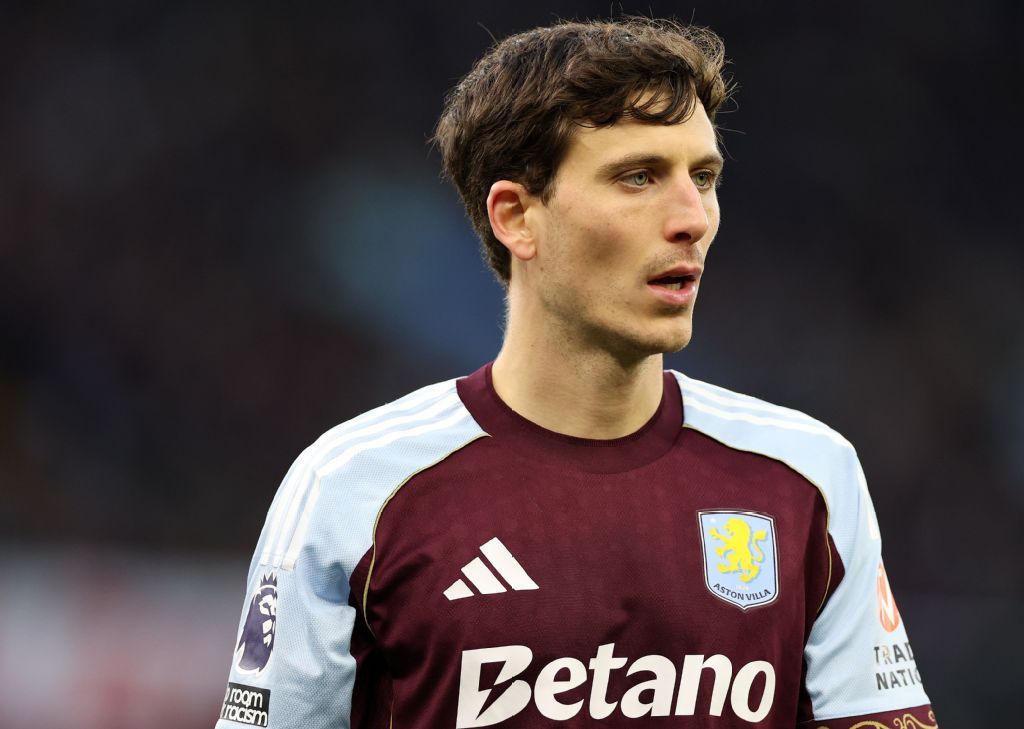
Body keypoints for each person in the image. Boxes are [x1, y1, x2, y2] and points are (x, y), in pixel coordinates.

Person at [216, 17, 937, 729]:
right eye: (638, 177)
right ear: (516, 217)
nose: (693, 218)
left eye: (704, 177)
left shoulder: (808, 477)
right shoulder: (353, 486)